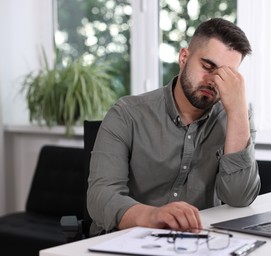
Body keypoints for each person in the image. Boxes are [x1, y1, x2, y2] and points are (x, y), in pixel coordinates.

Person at [87, 17, 261, 236]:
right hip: (129, 240)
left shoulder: (238, 117)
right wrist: (152, 216)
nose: (213, 81)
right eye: (207, 66)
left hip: (198, 243)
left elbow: (239, 198)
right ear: (183, 57)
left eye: (226, 75)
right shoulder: (126, 114)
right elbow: (100, 197)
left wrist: (237, 111)